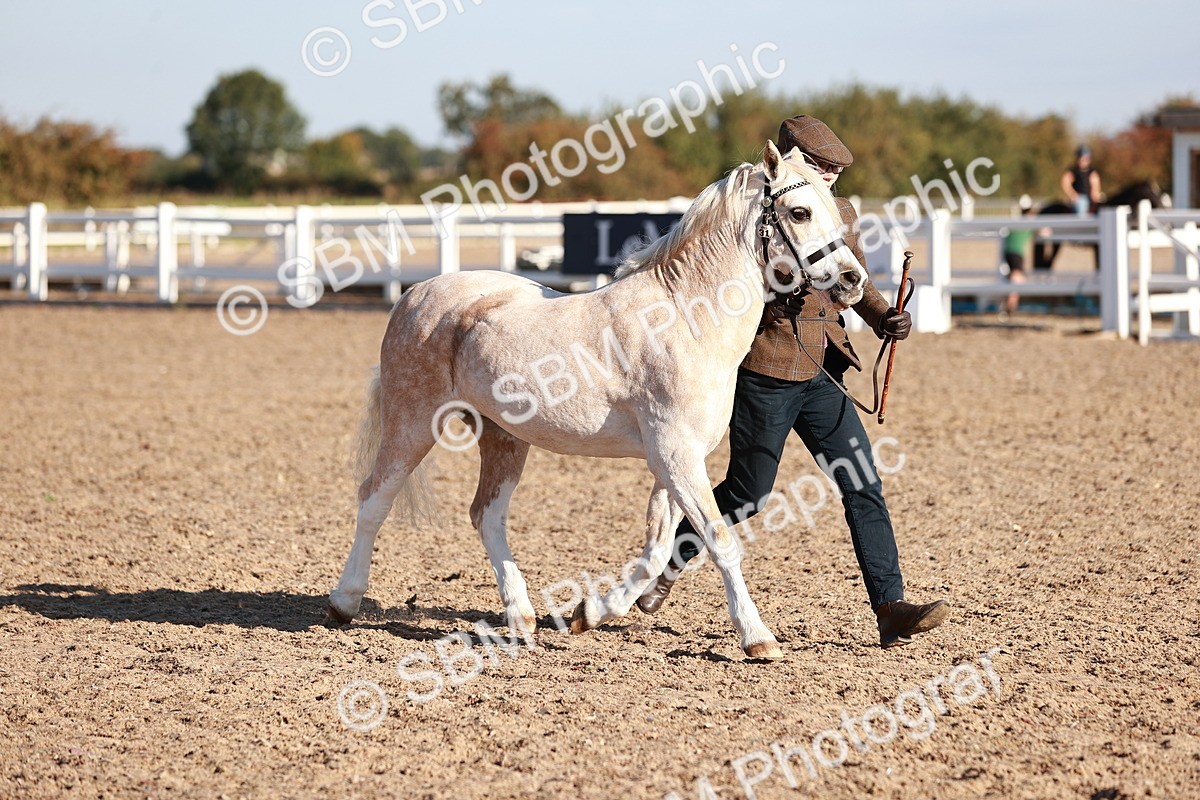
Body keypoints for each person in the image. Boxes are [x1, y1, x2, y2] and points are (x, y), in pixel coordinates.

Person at [635, 115, 949, 648]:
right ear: (792, 159)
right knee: (748, 493)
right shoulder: (755, 212)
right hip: (767, 371)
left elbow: (854, 279)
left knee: (862, 483)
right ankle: (668, 565)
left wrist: (882, 317)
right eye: (821, 165)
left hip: (825, 371)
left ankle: (890, 608)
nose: (832, 175)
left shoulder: (840, 213)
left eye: (836, 169)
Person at [1001, 194, 1035, 315]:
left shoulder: (1016, 220)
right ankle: (1010, 305)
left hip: (1008, 251)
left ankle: (1010, 304)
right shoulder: (1030, 221)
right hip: (1017, 252)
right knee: (1017, 278)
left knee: (1015, 277)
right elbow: (1045, 231)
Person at [1061, 144, 1101, 215]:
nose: (1084, 161)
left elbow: (1095, 186)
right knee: (1082, 203)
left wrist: (1095, 197)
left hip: (1090, 198)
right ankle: (1082, 221)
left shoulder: (1092, 172)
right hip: (1079, 199)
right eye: (1082, 158)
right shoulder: (1073, 170)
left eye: (1086, 159)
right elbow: (1065, 182)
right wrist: (1073, 195)